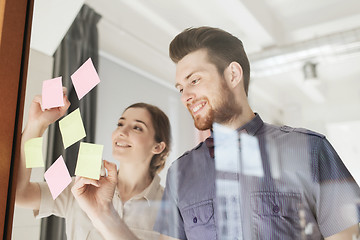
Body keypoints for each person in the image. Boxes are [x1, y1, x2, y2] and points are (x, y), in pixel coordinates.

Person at [154, 26, 360, 240]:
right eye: (180, 88)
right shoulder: (179, 174)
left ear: (233, 75)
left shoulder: (311, 150)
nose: (185, 96)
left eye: (194, 81)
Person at [15, 90, 172, 240]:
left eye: (137, 127)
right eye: (120, 124)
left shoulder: (171, 209)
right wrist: (37, 124)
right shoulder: (80, 187)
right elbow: (20, 193)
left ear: (158, 147)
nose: (121, 132)